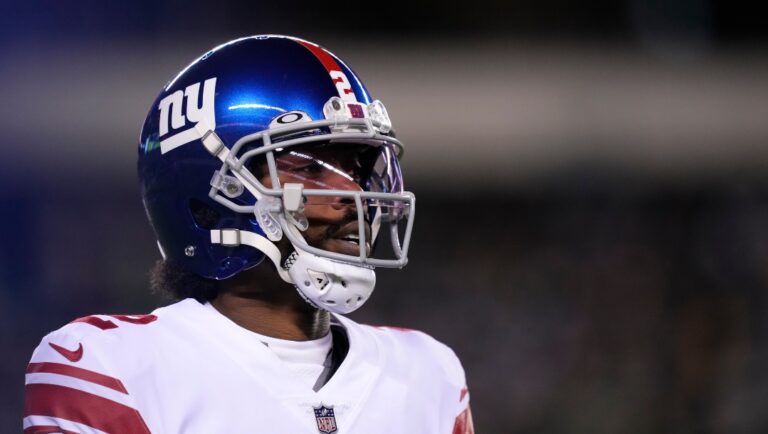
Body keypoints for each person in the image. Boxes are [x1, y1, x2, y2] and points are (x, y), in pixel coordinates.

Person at [24, 35, 474, 434]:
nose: (352, 192)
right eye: (312, 167)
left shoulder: (429, 374)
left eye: (356, 168)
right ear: (213, 196)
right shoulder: (113, 368)